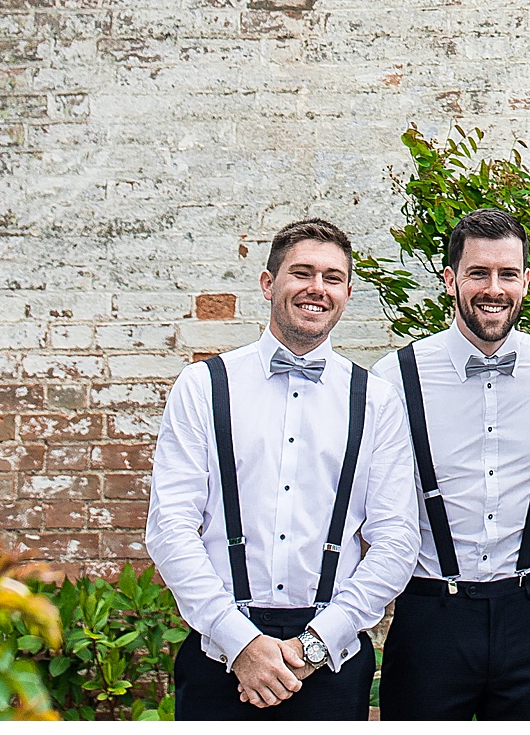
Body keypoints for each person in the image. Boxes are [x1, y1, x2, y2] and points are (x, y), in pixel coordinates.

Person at [145, 218, 418, 720]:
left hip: (330, 663)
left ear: (347, 293)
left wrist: (315, 646)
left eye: (332, 278)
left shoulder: (376, 401)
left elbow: (397, 540)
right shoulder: (204, 387)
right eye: (302, 273)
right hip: (219, 658)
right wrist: (240, 643)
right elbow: (170, 529)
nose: (317, 288)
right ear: (269, 283)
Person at [369, 208, 530, 720]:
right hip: (429, 613)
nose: (495, 288)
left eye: (508, 274)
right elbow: (373, 494)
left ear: (527, 282)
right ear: (450, 280)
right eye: (478, 273)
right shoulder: (395, 376)